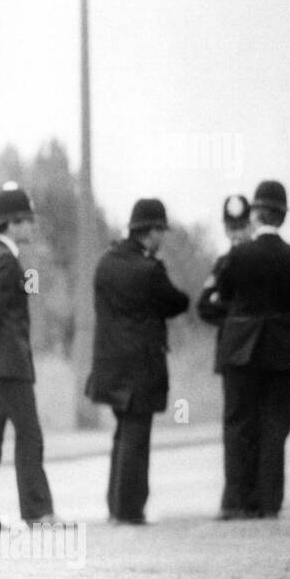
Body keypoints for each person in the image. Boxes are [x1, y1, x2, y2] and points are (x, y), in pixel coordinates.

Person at [86, 198, 190, 525]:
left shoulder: (105, 263)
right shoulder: (149, 270)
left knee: (121, 433)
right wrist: (158, 267)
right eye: (161, 230)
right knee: (136, 436)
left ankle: (116, 507)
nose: (162, 237)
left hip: (109, 365)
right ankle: (130, 510)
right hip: (141, 366)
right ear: (151, 231)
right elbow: (177, 302)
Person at [210, 182, 290, 520]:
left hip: (240, 348)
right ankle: (268, 501)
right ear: (282, 216)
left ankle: (236, 501)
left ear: (256, 213)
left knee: (239, 424)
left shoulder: (238, 255)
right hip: (281, 348)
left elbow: (223, 295)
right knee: (275, 425)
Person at [0, 182, 56, 528]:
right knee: (29, 436)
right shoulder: (6, 262)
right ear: (10, 223)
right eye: (25, 219)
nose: (30, 225)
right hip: (9, 365)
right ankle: (38, 512)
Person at [198, 194, 252, 519]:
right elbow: (204, 304)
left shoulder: (255, 260)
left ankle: (249, 498)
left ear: (251, 225)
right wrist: (233, 320)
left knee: (250, 425)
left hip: (248, 352)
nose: (236, 233)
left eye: (241, 226)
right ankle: (233, 499)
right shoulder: (222, 263)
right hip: (232, 350)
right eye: (231, 227)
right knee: (234, 427)